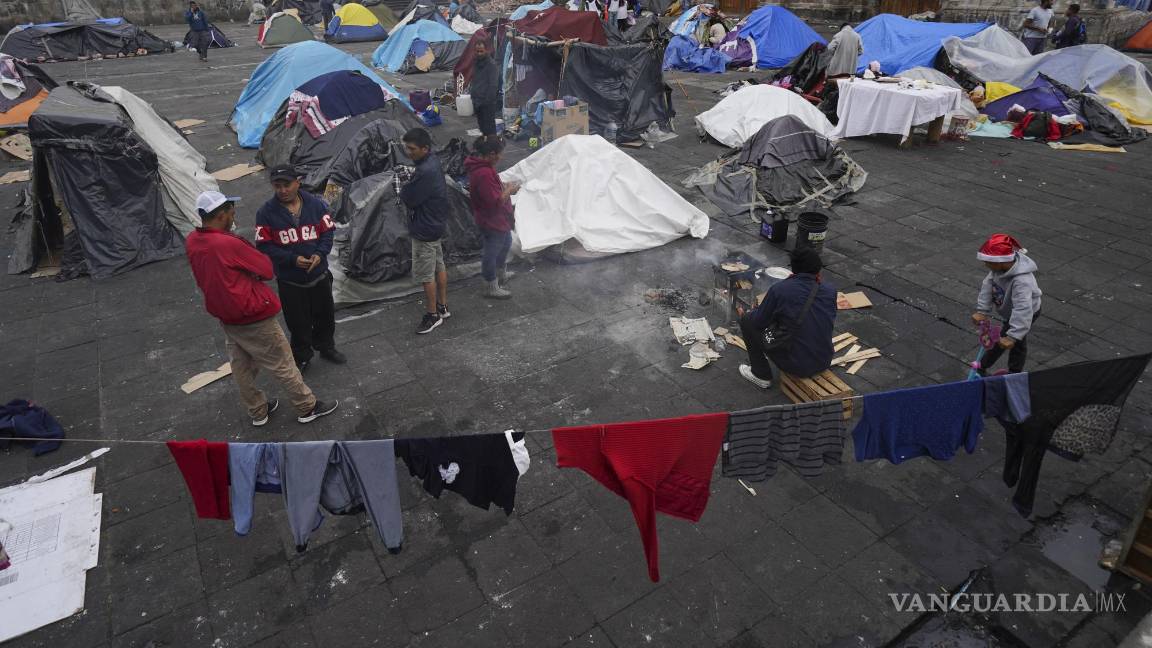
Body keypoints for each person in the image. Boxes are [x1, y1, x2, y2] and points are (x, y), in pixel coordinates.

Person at [185, 191, 339, 426]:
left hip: (226, 314)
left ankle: (258, 410)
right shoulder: (228, 243)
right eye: (231, 212)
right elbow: (266, 269)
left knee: (241, 365)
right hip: (251, 313)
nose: (233, 216)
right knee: (282, 362)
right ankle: (306, 406)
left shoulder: (193, 240)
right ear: (221, 215)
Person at [254, 166, 346, 372]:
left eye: (287, 185)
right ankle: (302, 355)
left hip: (319, 275)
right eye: (277, 186)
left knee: (325, 315)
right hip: (290, 280)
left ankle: (326, 347)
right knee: (297, 322)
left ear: (298, 182)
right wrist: (292, 259)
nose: (282, 190)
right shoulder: (265, 213)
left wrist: (320, 254)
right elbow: (264, 245)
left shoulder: (316, 205)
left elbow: (327, 233)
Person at [738, 248, 837, 389]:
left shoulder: (780, 289)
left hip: (795, 364)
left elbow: (759, 322)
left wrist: (750, 313)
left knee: (747, 320)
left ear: (793, 268)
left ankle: (760, 375)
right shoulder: (830, 290)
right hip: (824, 359)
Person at [400, 128, 452, 334]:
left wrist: (404, 186)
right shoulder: (433, 162)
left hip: (424, 228)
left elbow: (410, 199)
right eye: (407, 148)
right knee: (439, 265)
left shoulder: (424, 172)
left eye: (412, 149)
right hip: (436, 224)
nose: (408, 152)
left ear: (425, 148)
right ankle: (442, 306)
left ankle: (432, 315)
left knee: (426, 274)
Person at [972, 234, 1042, 374]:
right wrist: (982, 311)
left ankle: (985, 366)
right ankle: (1012, 371)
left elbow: (1023, 309)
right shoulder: (997, 270)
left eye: (988, 262)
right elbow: (987, 286)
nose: (985, 265)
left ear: (1000, 262)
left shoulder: (1022, 281)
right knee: (1015, 341)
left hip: (1026, 312)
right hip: (1010, 310)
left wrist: (1013, 336)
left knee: (1009, 340)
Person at [465, 136, 520, 299]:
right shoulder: (483, 173)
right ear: (491, 154)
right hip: (491, 221)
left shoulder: (485, 167)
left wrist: (504, 187)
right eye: (500, 153)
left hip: (498, 219)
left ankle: (501, 274)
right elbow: (495, 202)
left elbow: (491, 191)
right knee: (492, 252)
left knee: (506, 244)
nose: (501, 157)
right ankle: (490, 285)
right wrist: (509, 190)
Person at [470, 36, 501, 137]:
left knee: (489, 129)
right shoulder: (476, 63)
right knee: (482, 127)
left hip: (487, 104)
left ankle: (492, 144)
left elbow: (493, 85)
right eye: (477, 51)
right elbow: (475, 80)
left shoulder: (491, 65)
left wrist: (486, 102)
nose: (479, 53)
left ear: (486, 50)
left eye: (481, 51)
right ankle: (485, 143)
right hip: (477, 101)